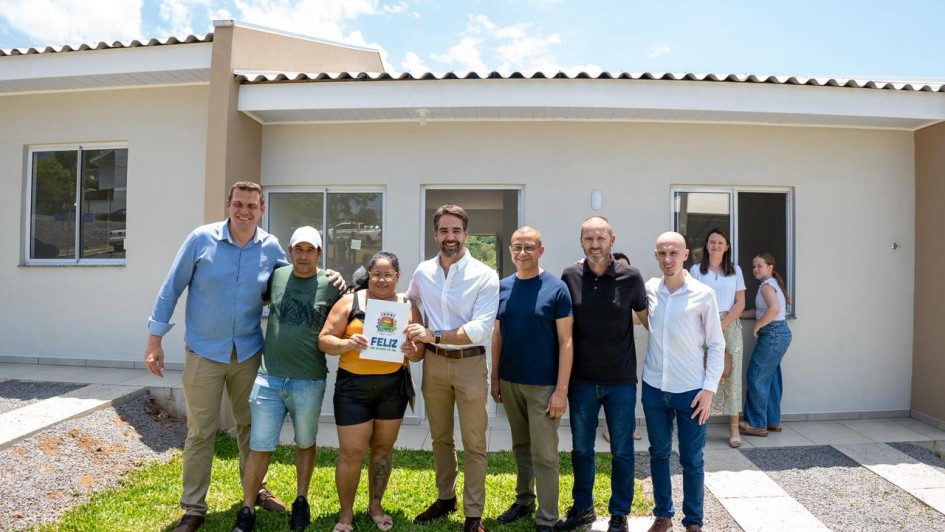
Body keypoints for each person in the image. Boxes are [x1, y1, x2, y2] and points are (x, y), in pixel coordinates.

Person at [145, 181, 290, 532]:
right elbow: (171, 289)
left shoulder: (270, 247)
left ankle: (255, 491)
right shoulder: (201, 239)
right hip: (204, 353)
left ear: (261, 209)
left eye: (251, 206)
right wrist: (154, 340)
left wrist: (328, 277)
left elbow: (292, 283)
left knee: (252, 428)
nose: (244, 211)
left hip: (248, 353)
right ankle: (193, 508)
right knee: (201, 432)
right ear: (228, 204)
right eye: (238, 204)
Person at [230, 226, 342, 532]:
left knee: (305, 443)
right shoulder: (277, 277)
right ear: (290, 251)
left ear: (319, 254)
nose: (304, 256)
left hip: (309, 380)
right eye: (298, 249)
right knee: (259, 445)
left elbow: (355, 309)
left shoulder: (332, 285)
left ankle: (301, 501)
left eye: (310, 250)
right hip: (269, 378)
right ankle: (247, 509)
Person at [404, 204, 500, 532]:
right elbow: (409, 303)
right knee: (440, 437)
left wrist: (434, 334)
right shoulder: (422, 272)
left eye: (456, 231)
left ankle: (473, 515)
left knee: (474, 442)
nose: (450, 237)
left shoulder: (485, 276)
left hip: (471, 364)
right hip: (433, 363)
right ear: (435, 234)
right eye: (444, 231)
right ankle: (446, 498)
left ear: (466, 234)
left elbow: (480, 329)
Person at [318, 251, 424, 532]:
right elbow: (324, 340)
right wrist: (347, 343)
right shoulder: (350, 301)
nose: (382, 279)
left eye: (388, 274)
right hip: (353, 388)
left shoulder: (407, 305)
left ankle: (375, 506)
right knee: (351, 452)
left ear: (397, 277)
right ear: (369, 275)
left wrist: (413, 350)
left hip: (392, 388)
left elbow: (420, 352)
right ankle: (345, 514)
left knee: (382, 451)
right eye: (376, 274)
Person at [559, 216, 647, 532]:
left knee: (621, 449)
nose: (595, 245)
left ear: (611, 239)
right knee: (581, 448)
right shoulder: (569, 276)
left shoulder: (631, 277)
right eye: (588, 239)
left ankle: (619, 513)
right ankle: (583, 509)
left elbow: (648, 320)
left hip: (620, 380)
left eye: (600, 239)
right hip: (581, 381)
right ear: (581, 241)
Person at [490, 226, 573, 532]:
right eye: (516, 247)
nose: (522, 253)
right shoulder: (502, 287)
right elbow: (497, 334)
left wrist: (560, 391)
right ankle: (524, 500)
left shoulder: (556, 288)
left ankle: (547, 518)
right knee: (521, 446)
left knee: (545, 454)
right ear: (510, 250)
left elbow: (566, 341)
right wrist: (495, 378)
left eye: (528, 247)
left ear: (541, 250)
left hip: (543, 386)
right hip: (511, 382)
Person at [642, 232, 724, 532]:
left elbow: (716, 344)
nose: (667, 259)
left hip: (691, 391)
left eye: (673, 253)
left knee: (692, 459)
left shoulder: (703, 294)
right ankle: (663, 514)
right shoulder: (650, 289)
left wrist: (709, 389)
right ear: (655, 255)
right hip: (653, 387)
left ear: (685, 254)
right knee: (659, 453)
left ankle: (693, 521)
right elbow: (619, 280)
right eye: (662, 253)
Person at [688, 229, 746, 448]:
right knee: (701, 374)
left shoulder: (735, 271)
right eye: (712, 242)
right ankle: (700, 428)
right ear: (706, 245)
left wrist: (721, 325)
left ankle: (733, 429)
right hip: (701, 324)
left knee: (731, 376)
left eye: (720, 242)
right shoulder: (695, 270)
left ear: (727, 247)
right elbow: (690, 300)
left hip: (729, 325)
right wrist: (708, 326)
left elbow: (740, 302)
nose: (716, 246)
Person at [738, 253, 793, 437]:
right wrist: (739, 313)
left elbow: (774, 309)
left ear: (770, 267)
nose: (755, 269)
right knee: (771, 378)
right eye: (753, 266)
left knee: (756, 376)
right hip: (779, 333)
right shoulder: (769, 285)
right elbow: (759, 310)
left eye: (759, 266)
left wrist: (758, 325)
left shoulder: (767, 286)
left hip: (773, 334)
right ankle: (772, 420)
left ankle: (756, 423)